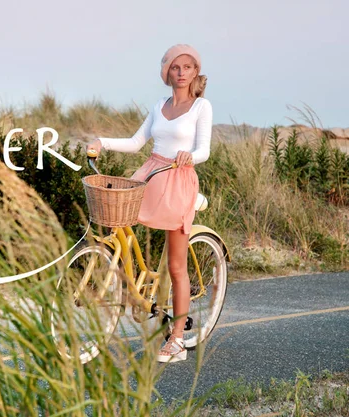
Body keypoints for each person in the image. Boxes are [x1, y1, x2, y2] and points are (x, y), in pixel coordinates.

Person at [86, 44, 213, 363]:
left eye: (187, 67)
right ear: (166, 72)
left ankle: (178, 340)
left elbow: (205, 150)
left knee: (176, 264)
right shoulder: (159, 105)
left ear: (195, 71)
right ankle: (137, 289)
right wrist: (102, 141)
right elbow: (135, 142)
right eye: (175, 67)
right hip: (152, 173)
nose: (181, 73)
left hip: (179, 177)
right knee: (119, 221)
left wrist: (189, 156)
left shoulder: (201, 107)